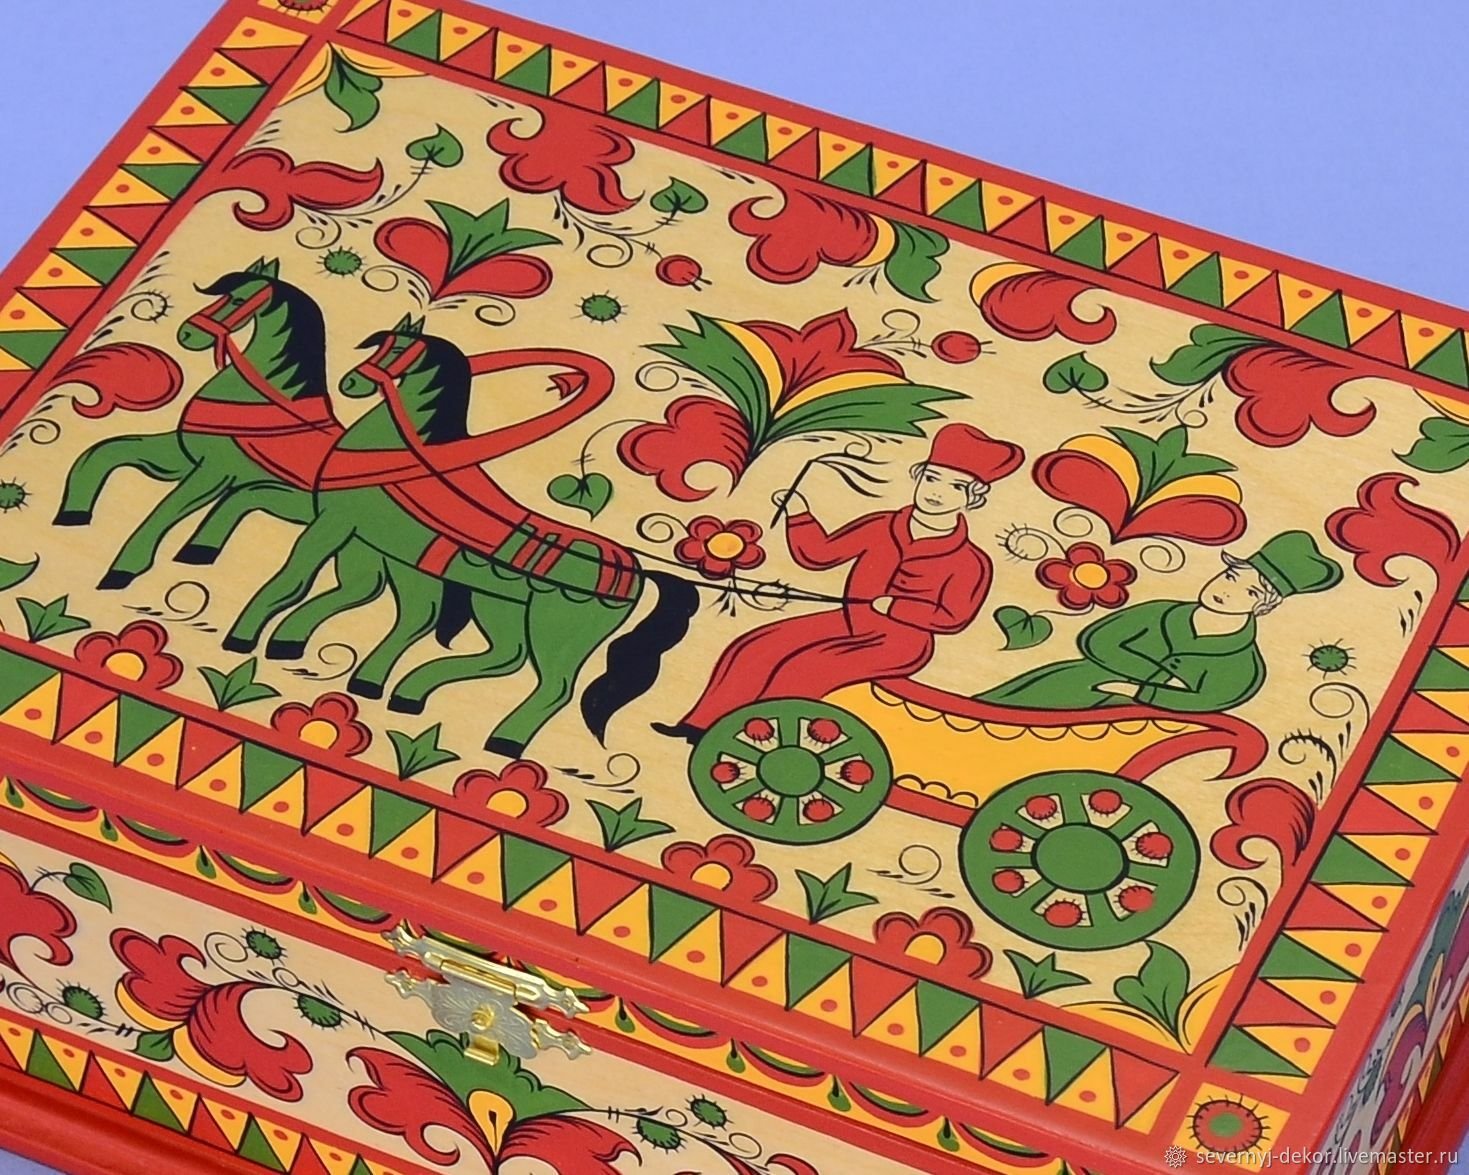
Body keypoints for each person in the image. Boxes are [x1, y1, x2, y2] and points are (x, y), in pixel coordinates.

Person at [656, 423, 1024, 742]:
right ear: (918, 476)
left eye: (955, 487)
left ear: (972, 499)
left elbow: (953, 618)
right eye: (931, 478)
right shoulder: (883, 524)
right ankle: (702, 726)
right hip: (849, 622)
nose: (937, 492)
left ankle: (757, 739)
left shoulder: (971, 561)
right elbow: (819, 555)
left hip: (901, 644)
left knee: (806, 668)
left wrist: (896, 606)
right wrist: (800, 515)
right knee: (757, 646)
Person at [975, 530, 1343, 713]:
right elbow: (1098, 639)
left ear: (1263, 607)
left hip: (1140, 722)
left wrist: (1142, 692)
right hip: (1081, 681)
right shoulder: (1162, 611)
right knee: (1006, 707)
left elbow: (1213, 699)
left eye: (1249, 592)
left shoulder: (1242, 662)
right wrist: (1158, 676)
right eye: (1231, 577)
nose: (1227, 590)